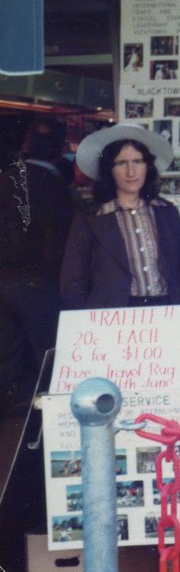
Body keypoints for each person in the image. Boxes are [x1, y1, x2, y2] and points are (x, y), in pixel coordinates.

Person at [60, 123, 180, 309]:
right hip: (111, 316)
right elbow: (73, 281)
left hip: (163, 311)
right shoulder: (91, 218)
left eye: (137, 161)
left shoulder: (167, 212)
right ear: (109, 170)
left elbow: (177, 271)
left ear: (147, 166)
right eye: (121, 163)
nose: (131, 172)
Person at [0, 116, 76, 409]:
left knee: (8, 360)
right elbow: (58, 244)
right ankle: (39, 424)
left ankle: (10, 424)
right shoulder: (55, 187)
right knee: (48, 360)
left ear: (26, 144)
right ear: (60, 147)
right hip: (39, 283)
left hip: (4, 281)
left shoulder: (5, 179)